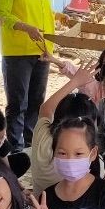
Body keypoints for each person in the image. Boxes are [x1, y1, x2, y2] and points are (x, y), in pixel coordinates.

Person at [0, 0, 56, 152]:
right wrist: (26, 27)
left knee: (36, 102)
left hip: (42, 50)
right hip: (18, 52)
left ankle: (32, 145)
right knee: (17, 103)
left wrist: (57, 17)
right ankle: (15, 148)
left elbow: (40, 11)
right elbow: (2, 14)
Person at [29, 62, 100, 193]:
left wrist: (75, 81)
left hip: (41, 205)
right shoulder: (90, 158)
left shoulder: (42, 136)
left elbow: (45, 108)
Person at [38, 116, 105, 209]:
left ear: (93, 153)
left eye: (78, 153)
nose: (69, 160)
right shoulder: (46, 197)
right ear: (54, 152)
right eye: (62, 153)